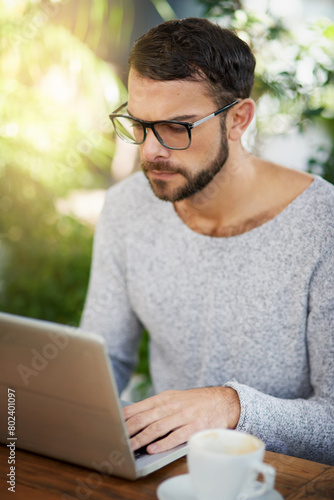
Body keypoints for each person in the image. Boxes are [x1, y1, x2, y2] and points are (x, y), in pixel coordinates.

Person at [80, 17, 334, 465]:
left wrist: (232, 406)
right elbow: (103, 361)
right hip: (162, 469)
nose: (150, 150)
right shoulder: (125, 207)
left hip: (281, 481)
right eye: (139, 122)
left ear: (239, 119)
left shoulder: (322, 225)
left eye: (178, 127)